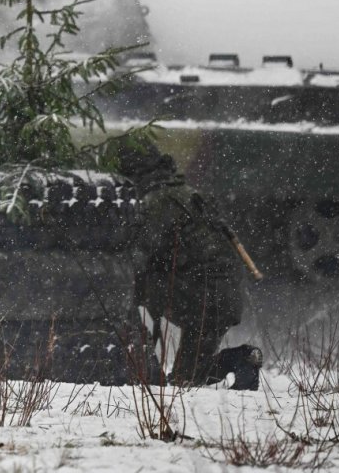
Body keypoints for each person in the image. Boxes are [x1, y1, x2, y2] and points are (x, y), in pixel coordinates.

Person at [112, 135, 262, 390]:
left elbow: (138, 259)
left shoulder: (157, 201)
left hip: (203, 296)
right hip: (222, 295)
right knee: (188, 376)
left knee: (129, 286)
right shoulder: (186, 193)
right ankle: (242, 359)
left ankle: (142, 357)